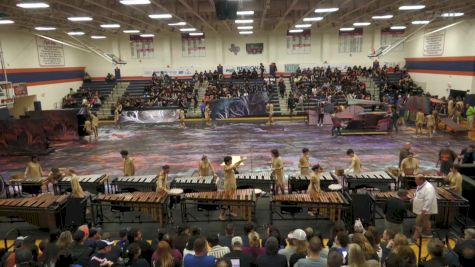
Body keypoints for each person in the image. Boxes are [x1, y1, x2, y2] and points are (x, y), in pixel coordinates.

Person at [411, 174, 438, 240]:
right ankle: (428, 234)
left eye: (416, 180)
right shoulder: (420, 185)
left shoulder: (428, 188)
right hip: (421, 208)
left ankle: (414, 238)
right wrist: (414, 197)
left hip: (425, 210)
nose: (415, 181)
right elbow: (418, 192)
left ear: (421, 180)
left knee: (418, 222)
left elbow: (428, 200)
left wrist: (424, 210)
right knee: (425, 221)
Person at [220, 156, 245, 221]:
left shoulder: (231, 165)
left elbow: (235, 165)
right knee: (226, 201)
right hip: (228, 187)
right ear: (227, 162)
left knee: (232, 200)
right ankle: (221, 215)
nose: (231, 162)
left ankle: (231, 212)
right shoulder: (225, 167)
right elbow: (229, 168)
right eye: (230, 161)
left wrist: (241, 160)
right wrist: (233, 166)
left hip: (233, 185)